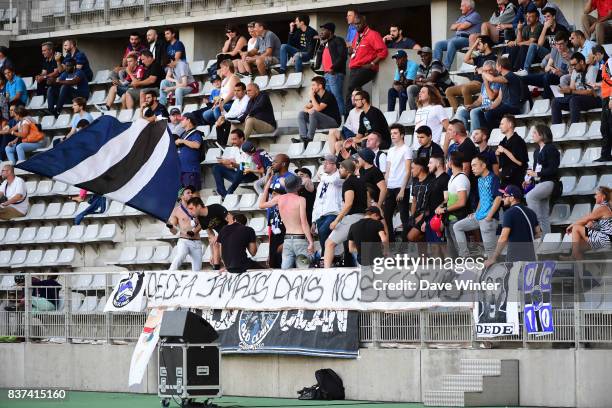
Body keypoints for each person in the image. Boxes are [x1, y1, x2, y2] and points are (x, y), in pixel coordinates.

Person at [259, 173, 314, 269]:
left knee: (285, 271)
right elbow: (304, 222)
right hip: (300, 239)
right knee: (304, 270)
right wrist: (310, 242)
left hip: (287, 240)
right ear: (298, 187)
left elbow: (261, 205)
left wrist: (267, 185)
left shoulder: (279, 198)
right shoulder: (301, 199)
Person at [453, 154, 502, 258]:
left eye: (474, 165)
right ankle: (464, 256)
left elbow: (498, 198)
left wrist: (489, 216)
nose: (472, 169)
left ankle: (494, 272)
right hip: (479, 216)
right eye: (471, 166)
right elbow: (482, 198)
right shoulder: (479, 180)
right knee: (457, 226)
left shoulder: (493, 178)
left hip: (489, 219)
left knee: (490, 251)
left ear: (483, 165)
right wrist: (477, 212)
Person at [324, 159, 367, 268]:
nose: (339, 170)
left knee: (329, 243)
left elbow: (348, 204)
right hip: (363, 217)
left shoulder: (348, 182)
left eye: (342, 168)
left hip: (352, 218)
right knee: (356, 246)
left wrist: (336, 220)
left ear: (348, 171)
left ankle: (326, 273)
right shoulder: (361, 182)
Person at [485, 185, 540, 266]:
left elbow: (503, 238)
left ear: (512, 198)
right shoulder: (531, 212)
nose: (502, 198)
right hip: (531, 257)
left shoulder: (509, 213)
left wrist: (493, 258)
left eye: (505, 196)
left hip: (515, 258)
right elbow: (538, 233)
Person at [345, 15, 388, 115]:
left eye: (359, 23)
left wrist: (372, 63)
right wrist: (350, 51)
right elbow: (355, 52)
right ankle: (362, 114)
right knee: (358, 93)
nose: (357, 26)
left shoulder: (373, 34)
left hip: (366, 68)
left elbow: (383, 51)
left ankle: (348, 118)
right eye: (355, 24)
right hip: (354, 68)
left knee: (350, 90)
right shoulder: (356, 35)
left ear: (365, 23)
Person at [525, 125, 560, 235]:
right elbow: (535, 169)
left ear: (542, 134)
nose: (532, 135)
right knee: (544, 214)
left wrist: (536, 173)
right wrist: (529, 179)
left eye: (535, 133)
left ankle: (536, 225)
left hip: (550, 182)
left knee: (530, 196)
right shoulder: (536, 151)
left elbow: (553, 169)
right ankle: (546, 241)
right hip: (540, 183)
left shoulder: (551, 148)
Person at [446, 35, 496, 112]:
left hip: (482, 83)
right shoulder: (480, 57)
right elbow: (465, 59)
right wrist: (474, 45)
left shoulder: (493, 57)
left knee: (465, 88)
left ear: (486, 45)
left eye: (479, 45)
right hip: (472, 82)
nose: (478, 47)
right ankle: (457, 114)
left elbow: (492, 70)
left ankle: (467, 113)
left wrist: (482, 70)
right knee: (449, 91)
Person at [435, 151, 471, 254]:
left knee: (461, 251)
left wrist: (444, 209)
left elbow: (462, 202)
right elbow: (448, 198)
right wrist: (440, 207)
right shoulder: (452, 178)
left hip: (457, 218)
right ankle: (454, 270)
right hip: (449, 218)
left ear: (451, 162)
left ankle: (465, 269)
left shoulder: (461, 179)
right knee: (452, 252)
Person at [520, 29, 571, 100]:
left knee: (546, 77)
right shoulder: (555, 49)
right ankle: (526, 102)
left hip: (560, 79)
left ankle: (546, 98)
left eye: (561, 44)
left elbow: (570, 76)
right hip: (549, 76)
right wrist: (551, 68)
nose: (558, 47)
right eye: (557, 44)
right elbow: (546, 68)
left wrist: (561, 73)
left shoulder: (571, 55)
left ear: (566, 42)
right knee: (523, 79)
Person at [552, 52, 601, 124]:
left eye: (575, 64)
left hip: (593, 99)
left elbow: (590, 91)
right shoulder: (575, 71)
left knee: (573, 100)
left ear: (581, 62)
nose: (573, 67)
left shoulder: (592, 69)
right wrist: (564, 90)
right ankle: (556, 128)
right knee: (555, 102)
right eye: (572, 65)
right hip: (578, 99)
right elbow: (572, 87)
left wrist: (571, 91)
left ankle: (574, 127)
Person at [565, 186, 612, 260]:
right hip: (604, 239)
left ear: (603, 196)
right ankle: (580, 268)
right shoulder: (605, 207)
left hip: (605, 240)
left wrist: (571, 225)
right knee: (578, 246)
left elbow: (586, 219)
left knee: (576, 227)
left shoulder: (603, 208)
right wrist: (589, 223)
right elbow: (590, 223)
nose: (595, 196)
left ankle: (574, 256)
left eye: (597, 194)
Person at [434, 0, 482, 70]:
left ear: (469, 7)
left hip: (467, 39)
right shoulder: (462, 17)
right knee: (438, 44)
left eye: (462, 6)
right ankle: (436, 66)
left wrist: (459, 26)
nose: (460, 8)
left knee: (452, 42)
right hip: (456, 38)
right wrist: (460, 25)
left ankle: (446, 68)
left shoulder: (475, 15)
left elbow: (463, 26)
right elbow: (452, 27)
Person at [454, 60, 501, 132]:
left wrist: (485, 82)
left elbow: (492, 97)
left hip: (491, 108)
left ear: (495, 71)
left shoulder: (497, 81)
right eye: (485, 71)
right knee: (462, 112)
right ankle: (464, 136)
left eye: (490, 71)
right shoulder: (484, 84)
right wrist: (471, 105)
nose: (487, 73)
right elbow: (479, 100)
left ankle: (474, 135)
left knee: (474, 112)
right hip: (482, 108)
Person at [262, 154, 291, 268]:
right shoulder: (274, 177)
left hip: (285, 219)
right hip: (273, 218)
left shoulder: (290, 178)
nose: (272, 164)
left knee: (282, 255)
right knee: (273, 254)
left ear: (283, 164)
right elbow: (268, 196)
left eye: (275, 162)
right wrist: (269, 177)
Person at [383, 124, 412, 237]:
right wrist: (386, 186)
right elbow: (388, 170)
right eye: (391, 134)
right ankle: (391, 242)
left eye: (395, 133)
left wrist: (402, 189)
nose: (392, 135)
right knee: (386, 215)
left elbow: (408, 170)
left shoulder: (407, 149)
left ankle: (405, 244)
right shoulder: (390, 150)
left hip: (401, 186)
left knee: (404, 216)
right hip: (390, 186)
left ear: (402, 135)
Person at [312, 154, 344, 255]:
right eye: (323, 163)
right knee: (322, 234)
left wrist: (322, 176)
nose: (324, 165)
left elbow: (334, 181)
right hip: (321, 214)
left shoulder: (339, 176)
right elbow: (317, 200)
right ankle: (329, 257)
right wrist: (313, 221)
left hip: (334, 213)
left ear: (335, 165)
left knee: (323, 231)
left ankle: (324, 256)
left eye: (327, 163)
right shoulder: (323, 180)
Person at [212, 129, 257, 198]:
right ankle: (223, 193)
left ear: (241, 138)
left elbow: (247, 167)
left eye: (234, 139)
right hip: (237, 176)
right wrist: (225, 162)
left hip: (250, 175)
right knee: (216, 167)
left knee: (241, 169)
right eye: (232, 139)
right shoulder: (234, 148)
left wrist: (232, 163)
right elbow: (232, 166)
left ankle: (229, 193)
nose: (232, 142)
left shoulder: (248, 147)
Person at [315, 22, 348, 116]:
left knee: (337, 97)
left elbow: (343, 56)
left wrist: (333, 68)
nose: (321, 32)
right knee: (328, 99)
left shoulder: (338, 40)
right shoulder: (325, 43)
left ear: (330, 31)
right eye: (321, 30)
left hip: (335, 73)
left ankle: (342, 120)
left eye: (324, 30)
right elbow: (319, 59)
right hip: (326, 75)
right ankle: (332, 120)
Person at [166, 186, 202, 271]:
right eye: (188, 193)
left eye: (191, 193)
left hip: (196, 241)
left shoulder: (197, 207)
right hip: (184, 240)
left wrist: (194, 231)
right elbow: (174, 231)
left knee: (197, 270)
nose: (191, 194)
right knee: (181, 255)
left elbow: (201, 223)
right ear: (181, 196)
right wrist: (170, 226)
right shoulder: (176, 210)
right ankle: (169, 273)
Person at [187, 196, 229, 270]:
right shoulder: (201, 219)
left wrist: (220, 236)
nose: (189, 211)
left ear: (199, 206)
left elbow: (232, 223)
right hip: (223, 237)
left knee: (220, 244)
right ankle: (216, 268)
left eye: (191, 208)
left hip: (232, 232)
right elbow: (210, 236)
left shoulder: (215, 208)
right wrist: (212, 255)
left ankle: (228, 268)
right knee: (215, 243)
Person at [482, 56, 523, 129]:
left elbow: (492, 79)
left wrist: (483, 72)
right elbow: (499, 98)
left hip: (513, 107)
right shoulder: (503, 78)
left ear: (500, 67)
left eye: (496, 66)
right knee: (487, 112)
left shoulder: (510, 75)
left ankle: (500, 130)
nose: (496, 68)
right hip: (506, 106)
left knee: (489, 114)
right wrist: (490, 107)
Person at [296, 76, 341, 143]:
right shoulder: (316, 96)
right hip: (321, 122)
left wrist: (311, 96)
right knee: (301, 114)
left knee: (313, 112)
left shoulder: (328, 95)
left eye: (313, 85)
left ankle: (309, 138)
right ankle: (303, 138)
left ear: (320, 86)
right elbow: (305, 107)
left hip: (333, 122)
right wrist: (308, 110)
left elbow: (318, 109)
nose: (312, 87)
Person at [407, 47, 453, 111]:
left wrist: (421, 80)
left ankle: (433, 111)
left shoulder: (436, 62)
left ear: (430, 55)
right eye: (421, 56)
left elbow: (432, 79)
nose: (423, 58)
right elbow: (415, 80)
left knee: (430, 86)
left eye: (425, 56)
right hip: (431, 87)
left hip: (444, 89)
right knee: (411, 88)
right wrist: (424, 83)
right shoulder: (422, 65)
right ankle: (415, 113)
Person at [198, 59, 240, 126]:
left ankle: (223, 127)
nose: (221, 69)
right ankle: (224, 124)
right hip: (224, 102)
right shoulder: (224, 80)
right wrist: (215, 104)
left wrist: (221, 103)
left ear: (228, 67)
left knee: (217, 109)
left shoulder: (234, 77)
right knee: (206, 115)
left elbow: (232, 93)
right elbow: (221, 95)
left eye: (222, 67)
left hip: (232, 103)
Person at [507, 8, 545, 73]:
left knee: (523, 47)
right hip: (525, 54)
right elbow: (519, 41)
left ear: (537, 19)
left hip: (537, 54)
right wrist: (519, 30)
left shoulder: (539, 26)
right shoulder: (527, 27)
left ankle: (521, 70)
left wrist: (516, 43)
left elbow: (531, 42)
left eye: (530, 17)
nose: (527, 19)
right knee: (515, 47)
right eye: (527, 16)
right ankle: (510, 70)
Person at [413, 85, 449, 151]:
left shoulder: (438, 108)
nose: (419, 93)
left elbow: (449, 129)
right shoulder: (419, 109)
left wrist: (445, 149)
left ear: (430, 95)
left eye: (423, 92)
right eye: (420, 92)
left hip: (432, 149)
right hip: (417, 149)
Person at [497, 114, 528, 188]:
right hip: (505, 178)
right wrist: (497, 155)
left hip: (516, 179)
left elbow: (520, 162)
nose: (500, 126)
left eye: (502, 124)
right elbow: (500, 164)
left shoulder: (518, 141)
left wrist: (504, 150)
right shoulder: (503, 142)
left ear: (510, 124)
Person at [215, 81, 250, 146]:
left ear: (244, 91)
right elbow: (230, 113)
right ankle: (221, 145)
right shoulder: (236, 100)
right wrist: (222, 108)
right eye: (235, 90)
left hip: (243, 122)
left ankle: (225, 145)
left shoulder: (247, 99)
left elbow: (239, 112)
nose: (236, 93)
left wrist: (223, 117)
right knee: (219, 124)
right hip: (235, 121)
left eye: (238, 90)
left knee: (228, 123)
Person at [406, 157, 433, 242]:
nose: (411, 170)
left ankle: (427, 238)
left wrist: (422, 216)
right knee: (406, 234)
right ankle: (423, 255)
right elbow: (414, 201)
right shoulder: (414, 182)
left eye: (413, 168)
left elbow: (432, 202)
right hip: (417, 214)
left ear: (420, 168)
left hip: (427, 214)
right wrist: (413, 216)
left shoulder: (431, 181)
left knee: (411, 237)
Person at [424, 154, 450, 242]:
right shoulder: (432, 181)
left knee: (441, 248)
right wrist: (425, 221)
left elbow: (447, 198)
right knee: (432, 248)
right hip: (430, 219)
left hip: (439, 218)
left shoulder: (446, 179)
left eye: (430, 162)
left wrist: (441, 218)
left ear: (438, 163)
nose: (428, 165)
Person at [175, 112, 203, 190]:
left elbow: (196, 145)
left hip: (191, 170)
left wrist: (183, 141)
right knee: (184, 196)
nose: (181, 121)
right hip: (182, 170)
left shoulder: (196, 133)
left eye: (183, 120)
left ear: (188, 120)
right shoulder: (183, 134)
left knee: (193, 195)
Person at [595, 45, 612, 162]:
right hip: (605, 98)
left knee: (608, 127)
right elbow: (608, 81)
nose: (595, 58)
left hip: (609, 98)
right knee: (605, 128)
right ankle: (605, 154)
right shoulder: (605, 64)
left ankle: (606, 154)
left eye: (595, 55)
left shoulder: (609, 62)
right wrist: (598, 85)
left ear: (599, 53)